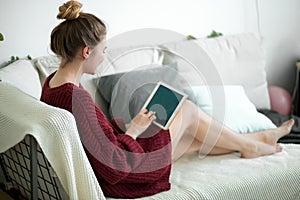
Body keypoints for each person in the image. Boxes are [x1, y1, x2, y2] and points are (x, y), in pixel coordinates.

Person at [41, 0, 295, 198]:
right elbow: (113, 166)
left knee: (192, 139)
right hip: (124, 174)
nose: (103, 57)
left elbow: (96, 143)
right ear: (87, 52)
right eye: (103, 51)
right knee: (186, 111)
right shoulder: (77, 98)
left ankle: (254, 141)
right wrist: (133, 131)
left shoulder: (52, 83)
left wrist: (127, 132)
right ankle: (251, 144)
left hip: (116, 161)